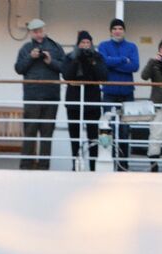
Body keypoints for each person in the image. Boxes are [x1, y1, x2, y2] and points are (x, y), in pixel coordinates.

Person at [15, 17, 64, 169]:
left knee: (47, 134)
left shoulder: (56, 48)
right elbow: (18, 68)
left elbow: (65, 68)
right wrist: (31, 57)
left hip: (51, 95)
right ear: (30, 33)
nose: (38, 34)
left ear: (45, 30)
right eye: (35, 31)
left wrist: (51, 61)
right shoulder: (26, 49)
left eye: (40, 31)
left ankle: (44, 166)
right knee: (30, 132)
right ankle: (26, 166)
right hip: (32, 95)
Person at [62, 30, 108, 171]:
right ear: (78, 44)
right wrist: (77, 59)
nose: (86, 45)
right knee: (74, 135)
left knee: (93, 136)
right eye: (83, 43)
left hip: (92, 102)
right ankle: (75, 165)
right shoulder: (70, 57)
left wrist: (92, 61)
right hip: (74, 102)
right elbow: (66, 76)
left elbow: (103, 77)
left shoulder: (97, 57)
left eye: (88, 43)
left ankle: (93, 167)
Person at [98, 18, 139, 171]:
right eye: (114, 28)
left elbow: (134, 66)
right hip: (109, 93)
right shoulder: (103, 45)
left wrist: (113, 64)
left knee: (124, 131)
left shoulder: (132, 46)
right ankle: (108, 164)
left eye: (120, 28)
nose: (117, 31)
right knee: (107, 129)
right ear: (110, 31)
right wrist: (123, 60)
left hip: (127, 93)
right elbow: (103, 62)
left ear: (124, 31)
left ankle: (123, 166)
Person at [141, 38, 162, 171]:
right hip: (157, 105)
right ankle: (154, 166)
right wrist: (153, 62)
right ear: (159, 50)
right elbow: (144, 76)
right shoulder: (154, 63)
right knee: (155, 135)